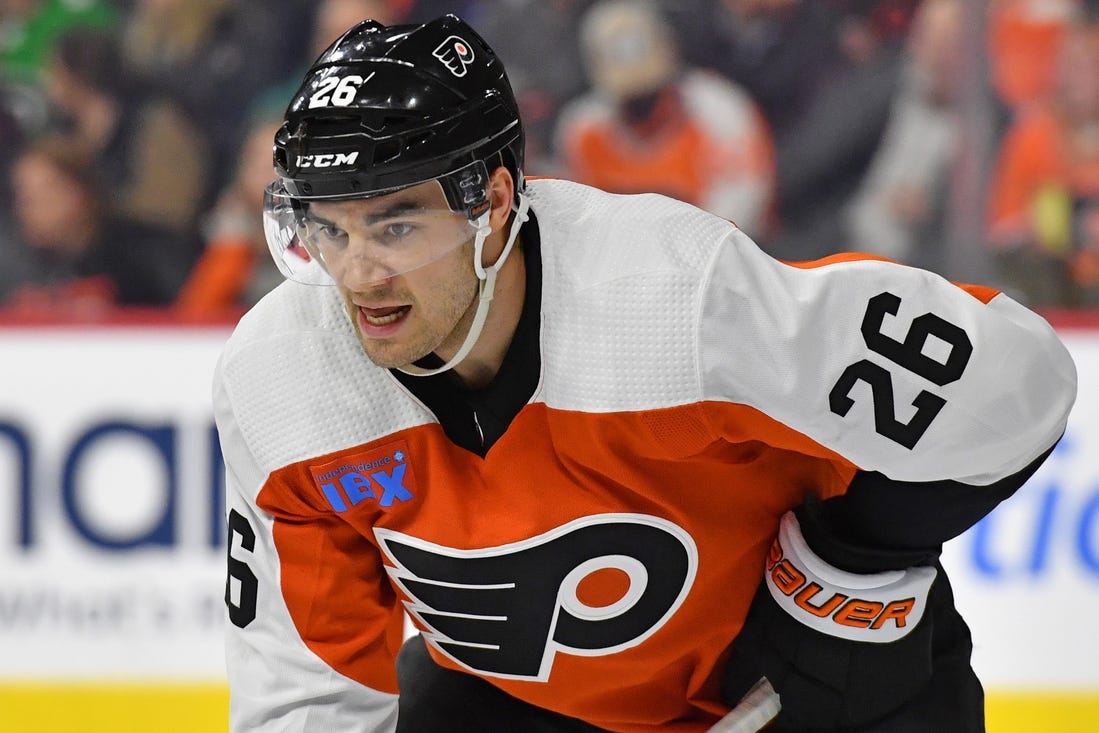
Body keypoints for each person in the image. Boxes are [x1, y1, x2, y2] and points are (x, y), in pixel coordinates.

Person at [216, 14, 1077, 733]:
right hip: (524, 703)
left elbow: (1018, 378)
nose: (358, 275)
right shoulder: (283, 377)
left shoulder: (673, 299)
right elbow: (308, 694)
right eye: (328, 230)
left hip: (815, 695)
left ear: (494, 203)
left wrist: (852, 557)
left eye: (395, 226)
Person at [554, 0, 775, 238]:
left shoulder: (720, 116)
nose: (645, 111)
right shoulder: (582, 131)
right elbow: (579, 224)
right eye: (631, 101)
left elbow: (738, 217)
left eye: (652, 96)